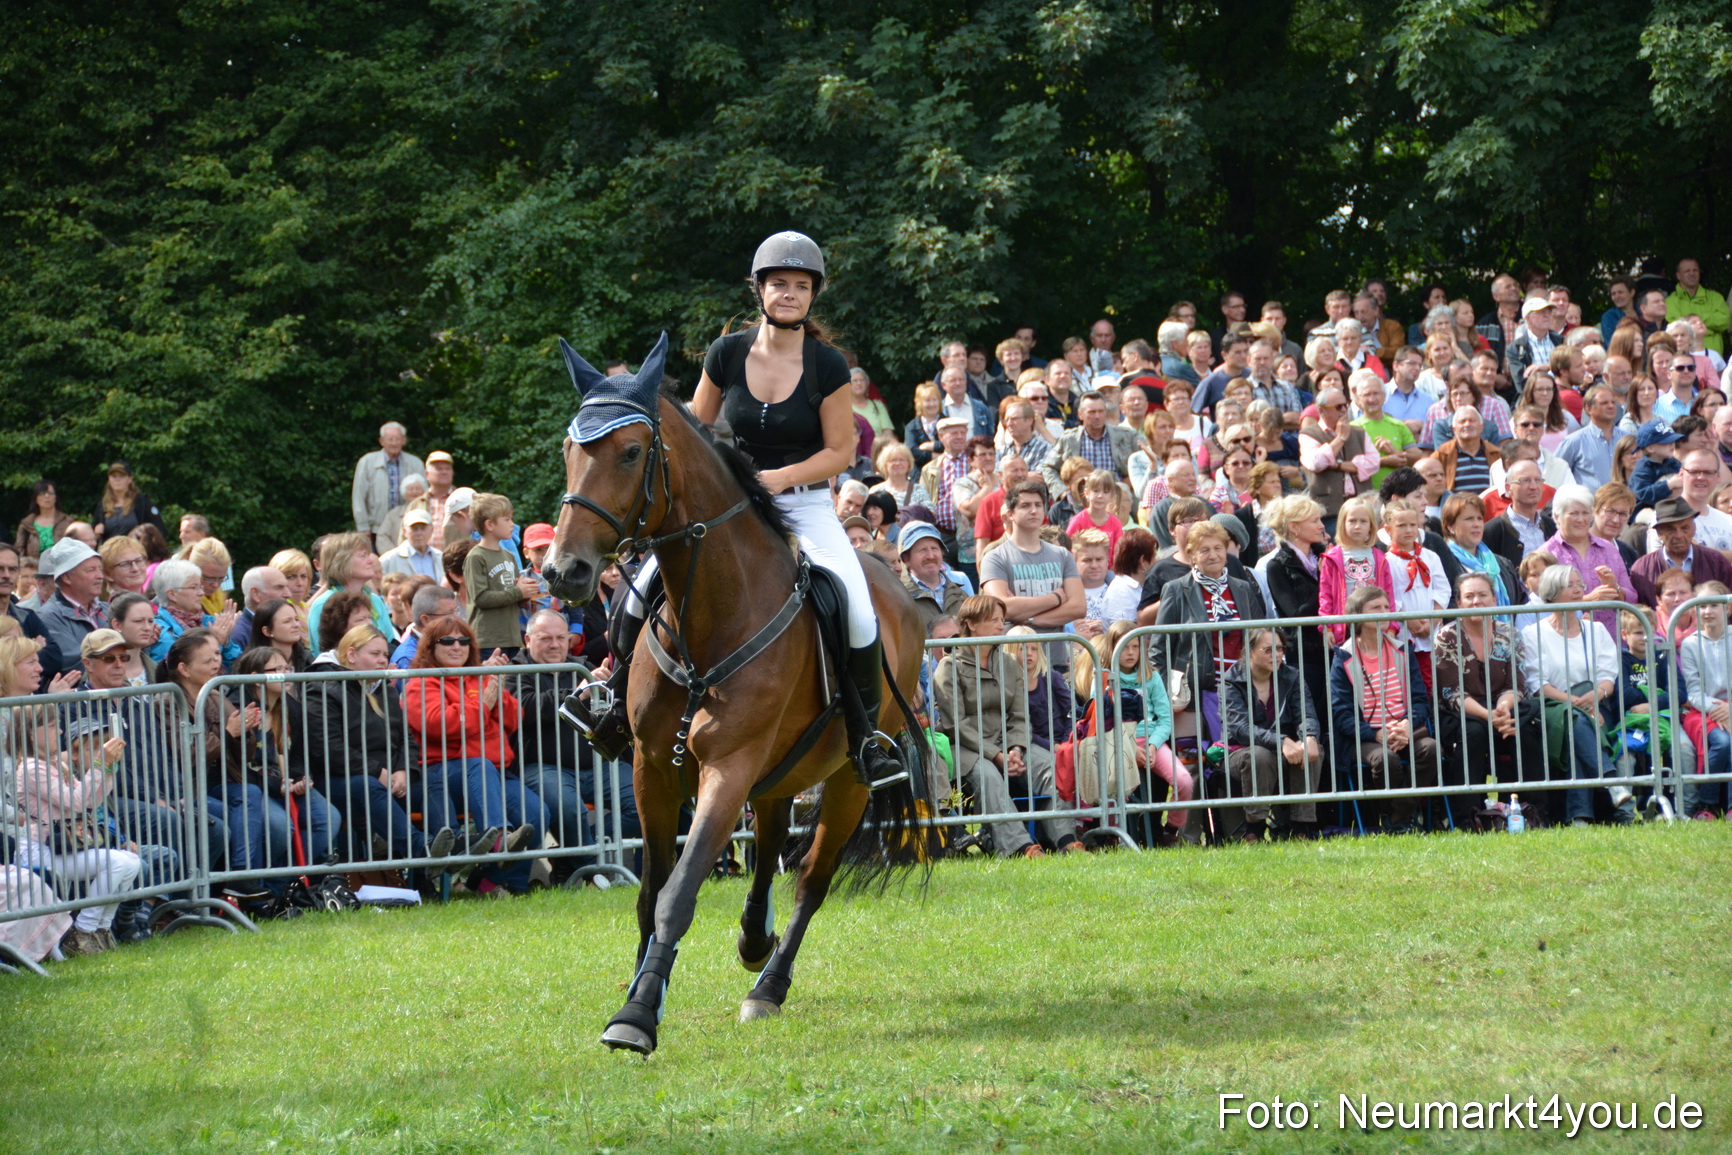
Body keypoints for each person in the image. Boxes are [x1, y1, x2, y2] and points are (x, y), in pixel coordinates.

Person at [303, 624, 470, 866]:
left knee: (430, 782)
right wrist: (377, 772)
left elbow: (405, 737)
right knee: (366, 785)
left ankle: (452, 842)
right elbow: (328, 747)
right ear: (351, 655)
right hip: (340, 781)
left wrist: (403, 769)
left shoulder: (385, 690)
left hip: (387, 777)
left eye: (385, 655)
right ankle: (420, 848)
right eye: (375, 654)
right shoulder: (322, 687)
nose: (383, 661)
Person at [403, 615, 543, 894]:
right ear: (431, 646)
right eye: (448, 641)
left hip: (494, 771)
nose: (457, 646)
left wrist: (496, 689)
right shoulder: (420, 683)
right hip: (445, 773)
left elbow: (514, 719)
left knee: (537, 813)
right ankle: (498, 836)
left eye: (463, 640)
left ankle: (499, 883)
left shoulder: (479, 676)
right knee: (477, 766)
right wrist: (482, 703)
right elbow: (444, 725)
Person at [930, 595, 1077, 857]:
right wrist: (996, 755)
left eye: (1002, 619)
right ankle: (1020, 847)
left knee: (1052, 767)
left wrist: (1016, 750)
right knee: (987, 774)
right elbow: (956, 725)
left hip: (1009, 745)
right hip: (965, 747)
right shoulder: (948, 666)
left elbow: (1020, 716)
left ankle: (1066, 840)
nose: (1001, 625)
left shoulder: (1009, 663)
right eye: (994, 620)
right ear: (972, 624)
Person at [511, 608, 639, 864]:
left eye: (561, 638)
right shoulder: (515, 671)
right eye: (546, 638)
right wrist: (576, 695)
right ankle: (588, 866)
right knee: (569, 810)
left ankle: (577, 857)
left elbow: (612, 709)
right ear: (528, 640)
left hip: (599, 764)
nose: (555, 645)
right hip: (543, 767)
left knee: (642, 801)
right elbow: (523, 706)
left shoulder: (582, 667)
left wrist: (608, 685)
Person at [10, 708, 141, 955]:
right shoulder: (30, 768)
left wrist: (108, 767)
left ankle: (100, 929)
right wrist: (101, 764)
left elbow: (93, 801)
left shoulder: (55, 764)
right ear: (29, 733)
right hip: (42, 852)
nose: (58, 731)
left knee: (131, 861)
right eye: (50, 726)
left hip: (63, 847)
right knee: (117, 862)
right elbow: (79, 801)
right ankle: (81, 932)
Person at [1430, 570, 1544, 829]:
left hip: (1501, 707)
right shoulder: (1446, 637)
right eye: (1469, 596)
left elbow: (1516, 683)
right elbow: (1451, 693)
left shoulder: (1508, 633)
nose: (1476, 602)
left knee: (1525, 730)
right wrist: (1487, 715)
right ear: (1458, 603)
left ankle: (1531, 812)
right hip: (1462, 712)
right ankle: (1468, 817)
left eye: (1482, 595)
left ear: (1494, 599)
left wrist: (1502, 708)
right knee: (1473, 734)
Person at [1520, 565, 1628, 827]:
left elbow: (1608, 676)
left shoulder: (1597, 630)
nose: (1579, 589)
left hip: (1595, 704)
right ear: (1553, 591)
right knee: (1575, 718)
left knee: (1577, 724)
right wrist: (1576, 703)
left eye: (1580, 584)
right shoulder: (1532, 633)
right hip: (1552, 705)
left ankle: (1580, 816)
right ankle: (1612, 782)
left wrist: (1593, 697)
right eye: (1571, 585)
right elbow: (1537, 683)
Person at [227, 648, 341, 889]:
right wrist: (277, 785)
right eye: (277, 670)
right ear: (256, 677)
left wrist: (301, 779)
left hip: (284, 783)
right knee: (280, 826)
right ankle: (260, 887)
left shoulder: (289, 706)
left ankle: (281, 885)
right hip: (254, 787)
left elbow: (299, 754)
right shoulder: (241, 709)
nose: (286, 674)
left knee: (328, 819)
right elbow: (240, 766)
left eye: (287, 668)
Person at [1329, 585, 1438, 833]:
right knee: (1385, 759)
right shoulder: (1343, 657)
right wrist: (1376, 735)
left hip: (1404, 730)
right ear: (1358, 614)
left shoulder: (1402, 649)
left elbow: (1420, 700)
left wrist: (1407, 725)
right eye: (1376, 608)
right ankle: (1400, 816)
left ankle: (1397, 815)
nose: (1385, 612)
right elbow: (1342, 715)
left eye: (1387, 607)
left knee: (1431, 749)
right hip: (1367, 737)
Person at [1071, 620, 1190, 846]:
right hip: (1116, 741)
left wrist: (1153, 745)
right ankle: (1112, 836)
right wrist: (1129, 747)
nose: (1131, 652)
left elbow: (1165, 719)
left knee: (1184, 780)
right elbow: (1103, 718)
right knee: (1116, 784)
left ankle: (1171, 831)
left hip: (1151, 742)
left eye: (1135, 647)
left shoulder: (1151, 677)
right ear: (1113, 647)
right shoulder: (1103, 677)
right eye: (1125, 646)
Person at [1153, 520, 1268, 747]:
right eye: (1204, 550)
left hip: (1240, 692)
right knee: (1194, 761)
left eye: (1218, 548)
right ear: (1192, 555)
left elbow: (1260, 636)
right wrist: (1167, 693)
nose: (1213, 555)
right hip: (1191, 694)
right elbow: (1159, 648)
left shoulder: (1242, 588)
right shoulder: (1176, 590)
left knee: (1238, 758)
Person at [1221, 627, 1323, 839]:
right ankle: (1254, 829)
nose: (1277, 655)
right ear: (1249, 651)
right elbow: (1240, 728)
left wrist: (1309, 736)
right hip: (1240, 753)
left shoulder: (1292, 676)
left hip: (1284, 750)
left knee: (1313, 750)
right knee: (1260, 755)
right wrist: (1281, 740)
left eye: (1280, 648)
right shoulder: (1231, 681)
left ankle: (1301, 828)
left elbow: (1306, 714)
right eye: (1268, 650)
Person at [980, 480, 1085, 682]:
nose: (1034, 510)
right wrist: (1055, 598)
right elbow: (1002, 609)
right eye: (1025, 506)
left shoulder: (1062, 555)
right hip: (1012, 664)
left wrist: (1028, 619)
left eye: (1038, 505)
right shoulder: (995, 557)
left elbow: (1078, 607)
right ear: (1010, 513)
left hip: (1055, 662)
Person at [29, 538, 112, 689]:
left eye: (100, 569)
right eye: (91, 570)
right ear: (66, 577)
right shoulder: (49, 616)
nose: (100, 576)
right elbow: (76, 663)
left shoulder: (107, 609)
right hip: (79, 706)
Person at [462, 493, 538, 658]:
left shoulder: (509, 555)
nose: (512, 524)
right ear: (489, 524)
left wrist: (525, 592)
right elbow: (480, 598)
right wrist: (518, 592)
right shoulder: (476, 557)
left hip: (512, 638)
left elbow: (510, 595)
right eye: (507, 519)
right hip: (487, 642)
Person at [1316, 495, 1395, 644]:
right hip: (1345, 626)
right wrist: (1327, 627)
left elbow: (1389, 593)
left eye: (1363, 521)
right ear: (1342, 523)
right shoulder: (1332, 557)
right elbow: (1325, 595)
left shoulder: (1380, 557)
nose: (1357, 526)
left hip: (1375, 623)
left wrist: (1391, 625)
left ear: (1371, 526)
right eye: (1352, 521)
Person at [304, 533, 394, 652]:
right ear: (341, 562)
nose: (371, 561)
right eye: (363, 556)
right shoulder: (323, 604)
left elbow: (390, 644)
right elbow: (321, 654)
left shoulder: (375, 600)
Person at [149, 559, 239, 667]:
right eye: (194, 587)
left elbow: (239, 668)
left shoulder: (210, 622)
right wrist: (215, 642)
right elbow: (184, 673)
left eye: (200, 586)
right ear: (172, 594)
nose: (201, 593)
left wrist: (226, 643)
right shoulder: (160, 631)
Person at [351, 421, 426, 547]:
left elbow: (424, 495)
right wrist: (362, 526)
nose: (394, 443)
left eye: (398, 439)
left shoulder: (415, 463)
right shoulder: (367, 462)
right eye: (390, 439)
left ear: (404, 440)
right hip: (375, 528)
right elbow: (358, 496)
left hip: (408, 526)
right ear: (381, 441)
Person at [1482, 459, 1556, 570]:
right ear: (1508, 488)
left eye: (1538, 480)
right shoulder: (1492, 531)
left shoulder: (1552, 526)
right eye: (1525, 481)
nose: (1533, 486)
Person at [1666, 258, 1729, 356]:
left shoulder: (1715, 297)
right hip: (1684, 359)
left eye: (1695, 270)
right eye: (1687, 271)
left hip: (1714, 359)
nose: (1692, 274)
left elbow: (1725, 321)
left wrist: (1691, 323)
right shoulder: (1670, 301)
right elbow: (1678, 327)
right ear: (1678, 276)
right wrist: (1710, 329)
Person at [91, 460, 164, 542]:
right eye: (114, 476)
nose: (117, 480)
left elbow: (159, 530)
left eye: (121, 476)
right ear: (109, 480)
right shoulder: (102, 505)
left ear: (129, 479)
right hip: (108, 551)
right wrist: (96, 533)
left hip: (135, 550)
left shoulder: (141, 502)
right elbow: (93, 539)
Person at [390, 583, 458, 669]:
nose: (456, 619)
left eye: (456, 611)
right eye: (449, 614)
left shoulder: (442, 644)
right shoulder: (409, 658)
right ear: (426, 620)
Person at [229, 566, 291, 654]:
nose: (288, 594)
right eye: (279, 588)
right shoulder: (239, 635)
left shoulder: (281, 625)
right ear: (255, 594)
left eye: (287, 587)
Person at [106, 592, 159, 683]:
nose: (147, 628)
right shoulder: (101, 670)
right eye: (138, 621)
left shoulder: (156, 670)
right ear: (117, 625)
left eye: (150, 621)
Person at [14, 480, 73, 561]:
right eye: (42, 493)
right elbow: (19, 550)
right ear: (36, 499)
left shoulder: (67, 521)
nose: (46, 496)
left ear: (56, 498)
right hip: (34, 569)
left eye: (50, 493)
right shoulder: (26, 524)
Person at [870, 441, 932, 512]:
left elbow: (930, 515)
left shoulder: (919, 490)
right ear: (885, 465)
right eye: (893, 460)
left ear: (909, 464)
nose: (897, 463)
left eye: (901, 460)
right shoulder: (876, 491)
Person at [381, 508, 441, 579]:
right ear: (405, 531)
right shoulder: (389, 560)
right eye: (414, 529)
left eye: (423, 528)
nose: (419, 533)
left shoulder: (440, 557)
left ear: (431, 530)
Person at [99, 535, 151, 601]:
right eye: (125, 564)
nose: (135, 569)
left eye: (138, 561)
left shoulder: (153, 604)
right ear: (108, 574)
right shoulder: (115, 610)